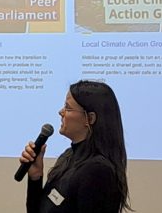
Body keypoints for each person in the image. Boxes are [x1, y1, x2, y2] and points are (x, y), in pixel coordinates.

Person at [20, 80, 130, 212]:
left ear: (90, 118)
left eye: (68, 108)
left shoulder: (98, 171)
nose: (61, 112)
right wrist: (36, 177)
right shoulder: (68, 156)